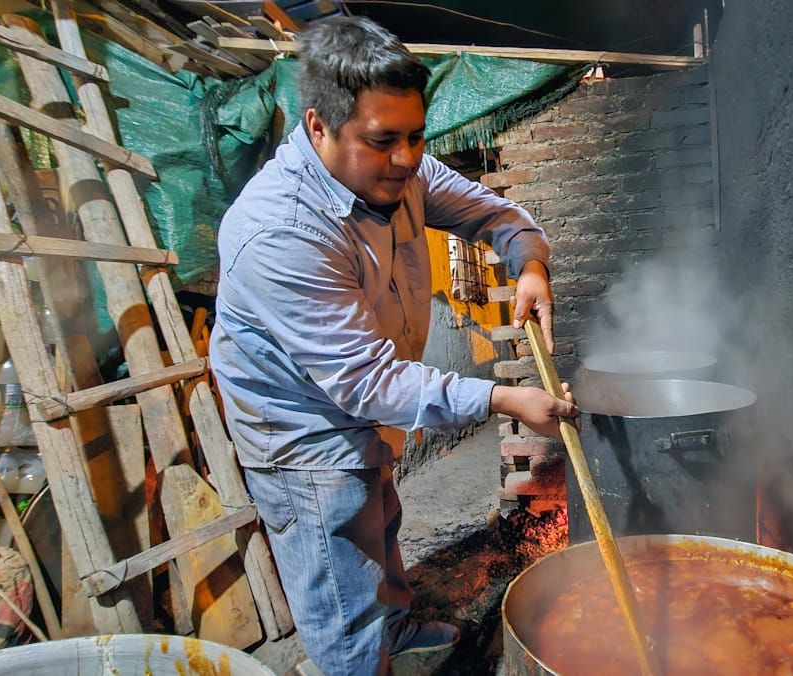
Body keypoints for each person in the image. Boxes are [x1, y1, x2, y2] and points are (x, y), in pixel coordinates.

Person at [209, 16, 577, 676]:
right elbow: (365, 382)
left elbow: (494, 214)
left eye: (416, 136)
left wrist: (529, 263)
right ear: (318, 126)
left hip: (363, 404)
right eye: (383, 141)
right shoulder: (280, 231)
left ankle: (398, 633)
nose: (407, 159)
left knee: (380, 521)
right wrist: (502, 399)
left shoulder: (401, 172)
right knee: (341, 581)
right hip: (303, 431)